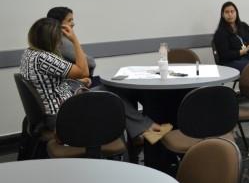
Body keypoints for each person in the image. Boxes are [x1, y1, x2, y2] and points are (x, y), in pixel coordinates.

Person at [19, 17, 163, 140]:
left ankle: (143, 131)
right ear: (51, 39)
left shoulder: (29, 54)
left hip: (60, 107)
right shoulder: (44, 58)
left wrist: (78, 83)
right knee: (111, 97)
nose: (61, 42)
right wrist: (74, 40)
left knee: (108, 90)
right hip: (63, 115)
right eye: (59, 38)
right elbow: (84, 71)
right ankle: (145, 130)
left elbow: (50, 83)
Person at [46, 6, 97, 76]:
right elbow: (91, 63)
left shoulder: (51, 39)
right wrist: (74, 39)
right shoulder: (61, 42)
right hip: (77, 80)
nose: (73, 23)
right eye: (69, 20)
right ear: (59, 23)